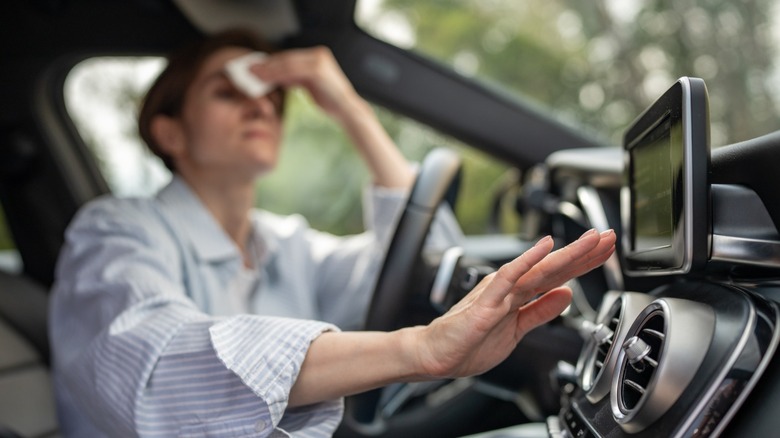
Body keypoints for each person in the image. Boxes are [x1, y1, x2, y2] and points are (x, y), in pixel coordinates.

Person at [48, 28, 617, 437]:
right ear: (168, 132)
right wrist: (415, 351)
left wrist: (350, 109)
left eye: (272, 97)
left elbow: (427, 263)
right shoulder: (114, 233)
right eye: (228, 92)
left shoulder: (286, 243)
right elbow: (159, 369)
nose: (260, 105)